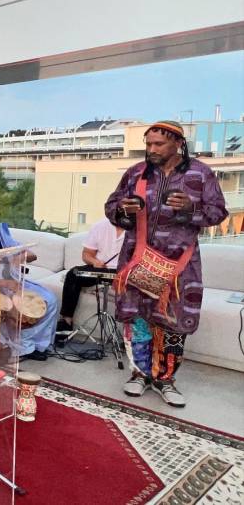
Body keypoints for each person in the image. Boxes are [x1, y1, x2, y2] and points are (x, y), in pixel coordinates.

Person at [106, 120, 227, 408]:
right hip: (138, 259)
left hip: (179, 266)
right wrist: (124, 209)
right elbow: (111, 207)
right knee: (139, 319)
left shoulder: (201, 173)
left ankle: (165, 379)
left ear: (178, 144)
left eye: (158, 144)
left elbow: (219, 212)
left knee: (171, 322)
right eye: (148, 144)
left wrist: (191, 208)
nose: (151, 150)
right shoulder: (136, 173)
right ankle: (139, 373)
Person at [0, 207, 58, 361]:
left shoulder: (1, 238)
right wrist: (3, 282)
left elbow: (31, 254)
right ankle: (20, 348)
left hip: (13, 282)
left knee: (50, 300)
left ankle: (37, 344)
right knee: (14, 307)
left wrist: (18, 257)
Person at [55, 217, 124, 344]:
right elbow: (86, 254)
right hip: (101, 269)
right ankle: (66, 322)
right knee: (73, 275)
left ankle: (130, 335)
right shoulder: (100, 225)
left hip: (125, 271)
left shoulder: (140, 227)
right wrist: (94, 262)